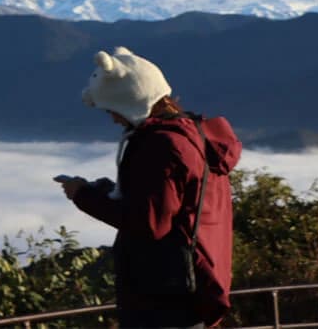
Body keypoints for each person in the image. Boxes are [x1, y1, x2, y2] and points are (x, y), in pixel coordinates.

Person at [57, 46, 242, 329]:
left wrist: (83, 196)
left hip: (165, 295)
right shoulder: (192, 133)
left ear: (131, 102)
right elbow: (162, 202)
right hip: (193, 283)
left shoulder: (161, 145)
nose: (113, 119)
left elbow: (150, 222)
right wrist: (106, 190)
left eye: (113, 110)